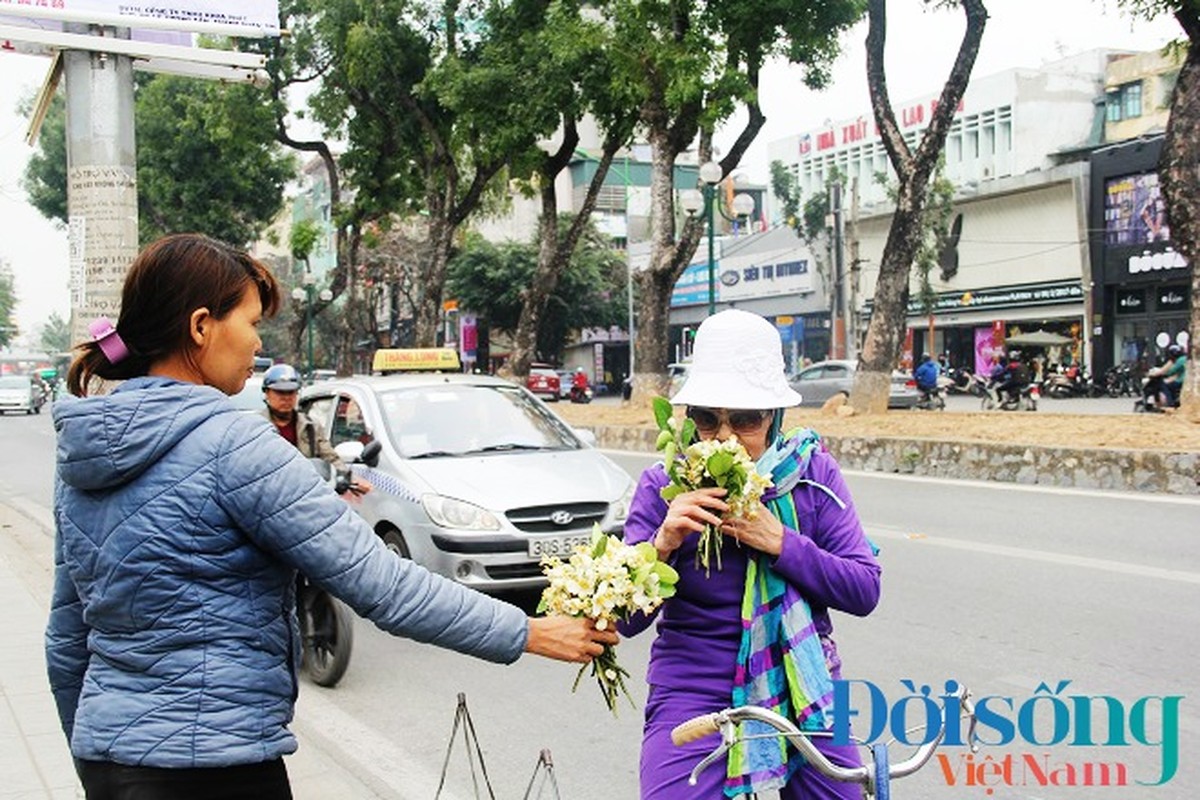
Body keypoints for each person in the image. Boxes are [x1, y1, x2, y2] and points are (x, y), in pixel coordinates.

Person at [46, 233, 616, 800]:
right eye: (249, 324)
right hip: (215, 767)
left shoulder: (85, 453)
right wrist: (530, 631)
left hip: (107, 757)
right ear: (201, 327)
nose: (257, 347)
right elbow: (384, 584)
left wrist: (98, 758)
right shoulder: (234, 445)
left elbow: (66, 641)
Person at [618, 309, 881, 800]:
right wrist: (664, 544)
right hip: (693, 691)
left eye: (744, 420)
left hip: (805, 683)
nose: (724, 437)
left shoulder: (813, 477)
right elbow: (623, 622)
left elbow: (865, 589)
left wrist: (780, 541)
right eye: (706, 418)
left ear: (774, 418)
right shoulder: (662, 485)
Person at [259, 362, 372, 494]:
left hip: (303, 494)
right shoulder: (255, 427)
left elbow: (330, 457)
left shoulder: (310, 426)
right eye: (280, 392)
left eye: (291, 392)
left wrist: (349, 479)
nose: (286, 398)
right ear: (267, 393)